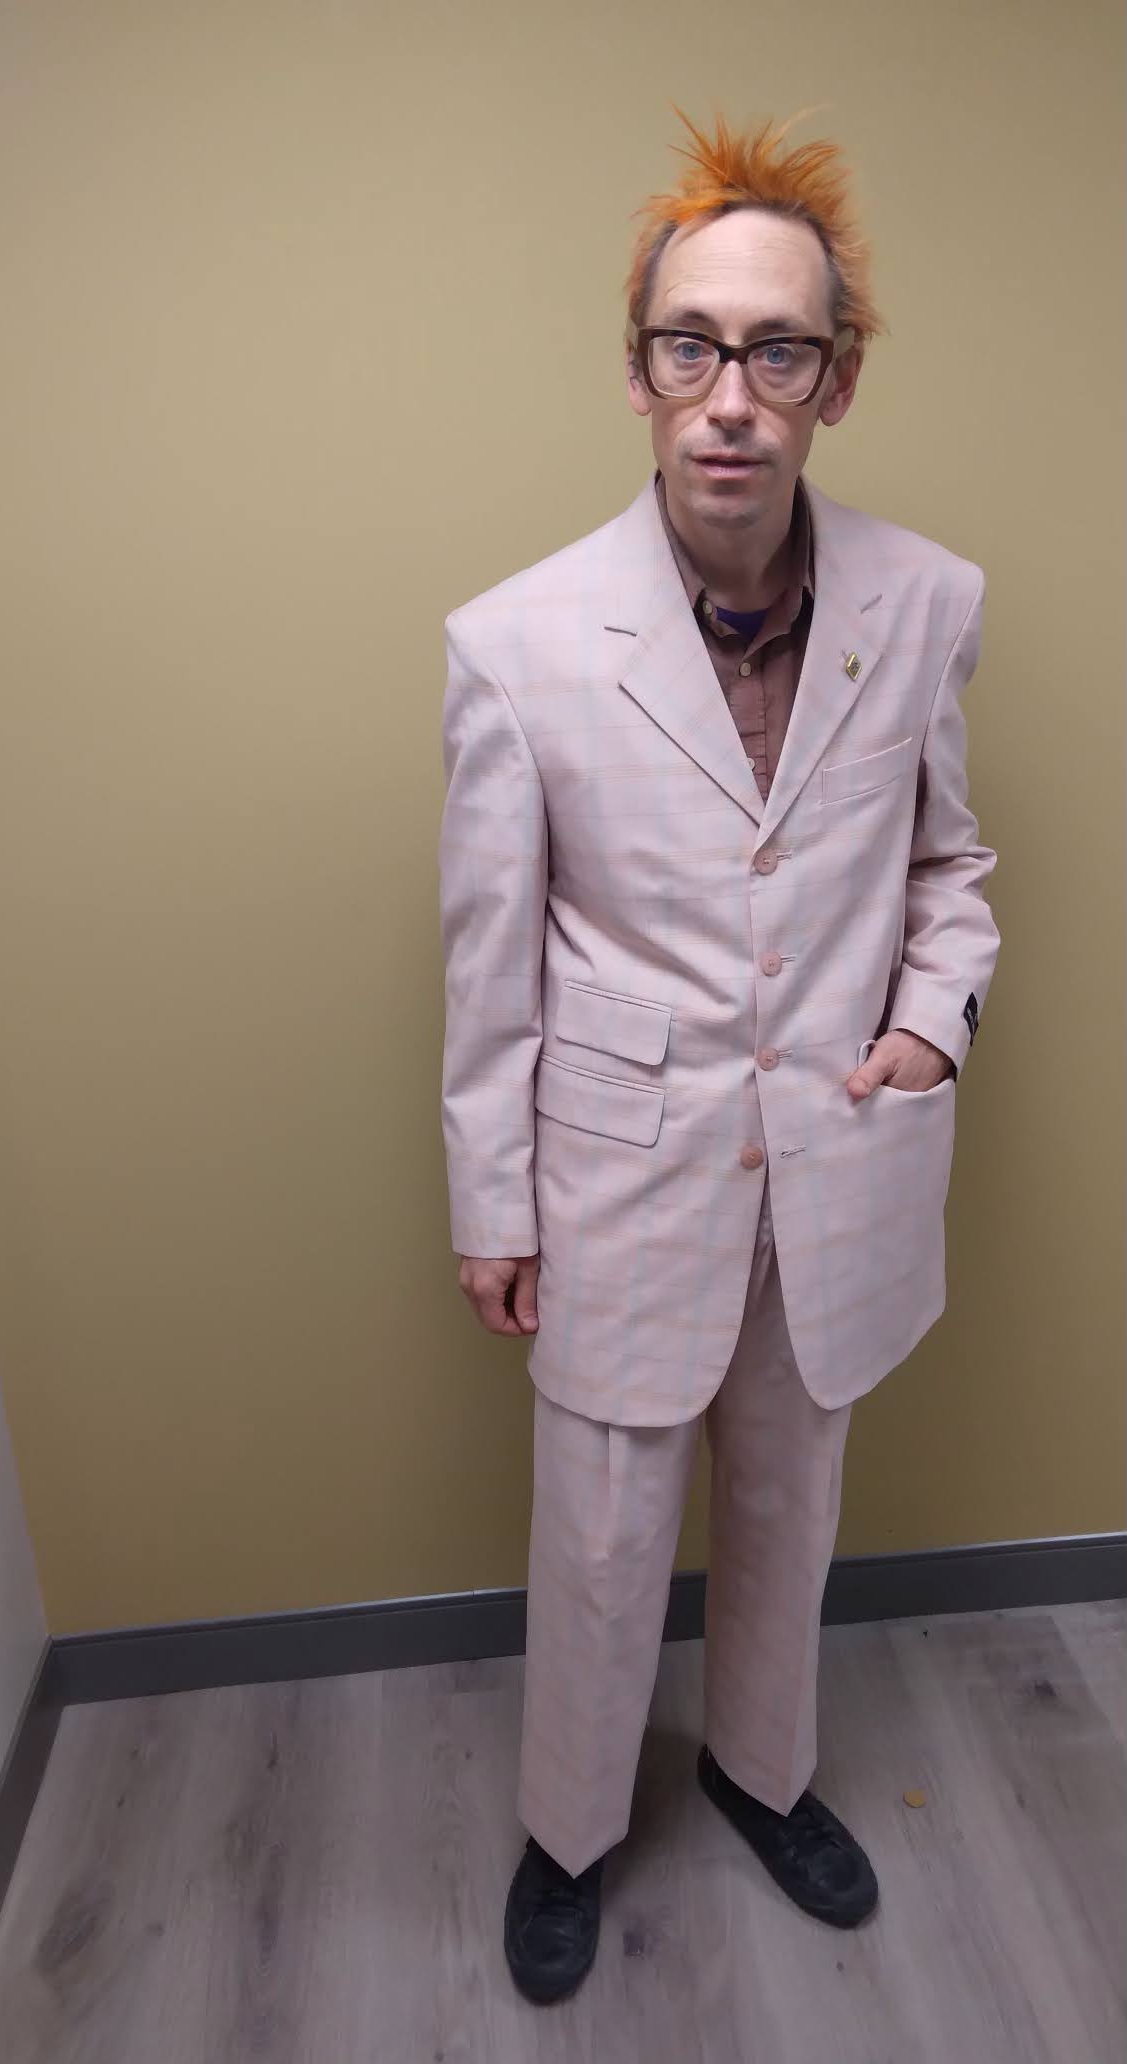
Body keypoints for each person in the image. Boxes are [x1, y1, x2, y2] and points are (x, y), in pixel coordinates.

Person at [437, 110, 1000, 2006]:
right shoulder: (515, 644)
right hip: (615, 1171)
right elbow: (488, 959)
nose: (731, 398)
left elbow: (947, 866)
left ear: (835, 379)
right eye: (692, 347)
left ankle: (763, 1775)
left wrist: (927, 1028)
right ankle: (568, 1828)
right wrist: (492, 1201)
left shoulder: (927, 604)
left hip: (837, 1157)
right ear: (639, 372)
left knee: (788, 1504)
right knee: (602, 1540)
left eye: (777, 350)